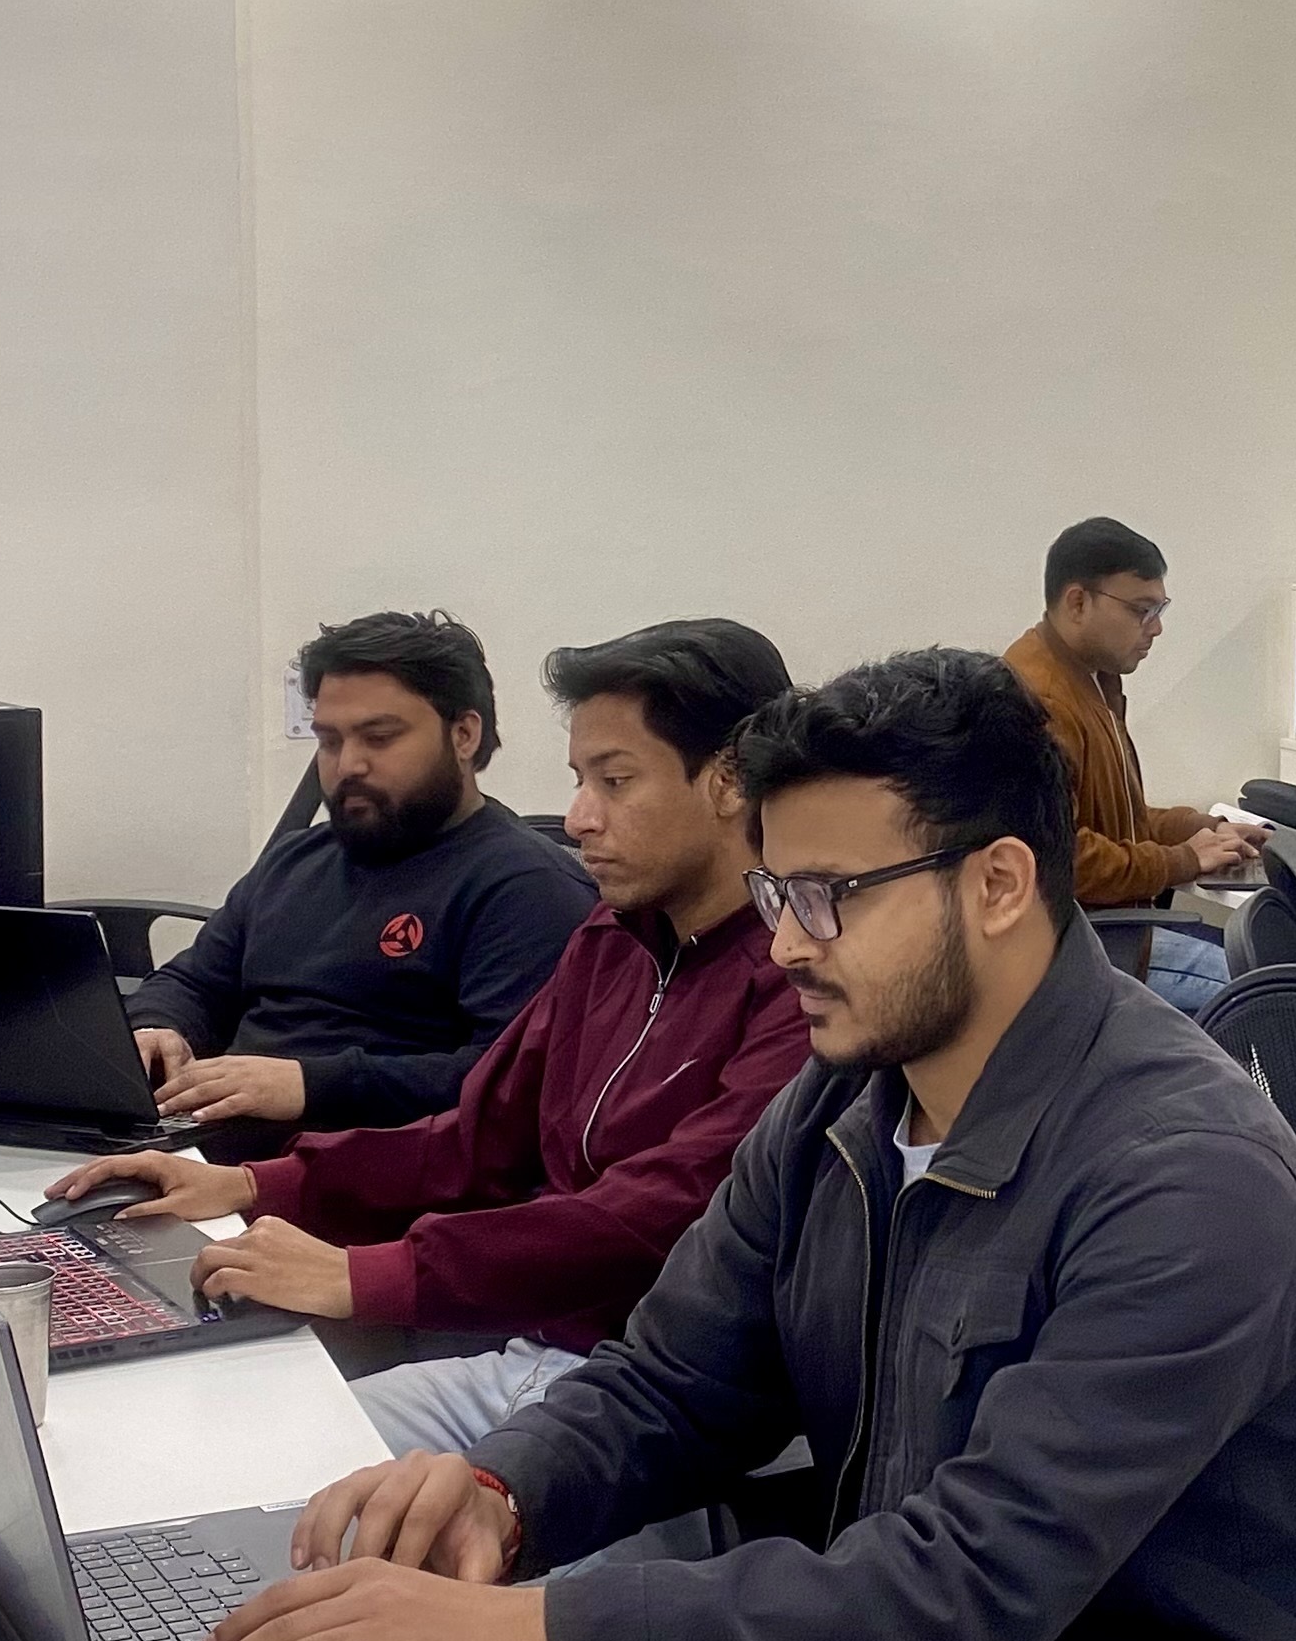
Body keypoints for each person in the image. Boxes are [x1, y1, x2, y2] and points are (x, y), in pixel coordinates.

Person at [176, 649, 1296, 1641]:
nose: (784, 946)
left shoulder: (1186, 1177)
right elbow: (674, 1376)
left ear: (998, 885)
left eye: (825, 898)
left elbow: (966, 1591)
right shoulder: (845, 1102)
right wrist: (505, 1490)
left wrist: (526, 1631)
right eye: (771, 896)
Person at [51, 621, 809, 1461]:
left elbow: (667, 1208)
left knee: (284, 1492)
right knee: (211, 1456)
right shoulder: (616, 939)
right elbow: (477, 1139)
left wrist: (368, 1274)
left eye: (615, 781)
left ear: (731, 781)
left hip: (667, 1393)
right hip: (544, 1353)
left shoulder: (797, 977)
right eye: (579, 780)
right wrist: (252, 1185)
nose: (580, 818)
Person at [124, 611, 596, 1151]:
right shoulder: (296, 859)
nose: (348, 765)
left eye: (379, 737)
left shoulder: (526, 888)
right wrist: (160, 1026)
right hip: (204, 1149)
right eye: (329, 741)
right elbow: (195, 983)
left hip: (365, 1174)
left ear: (464, 734)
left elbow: (512, 1087)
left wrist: (311, 1087)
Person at [1002, 516, 1257, 1018]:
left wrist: (1203, 829)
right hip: (1078, 953)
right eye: (1142, 610)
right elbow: (1063, 859)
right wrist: (1181, 860)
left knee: (1263, 967)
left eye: (1159, 609)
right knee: (1261, 995)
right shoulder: (1040, 701)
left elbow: (1113, 818)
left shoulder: (1092, 678)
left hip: (1112, 931)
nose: (1156, 627)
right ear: (1078, 602)